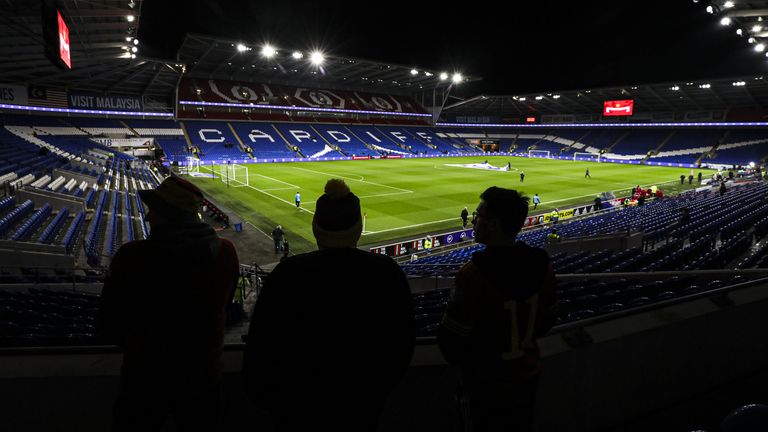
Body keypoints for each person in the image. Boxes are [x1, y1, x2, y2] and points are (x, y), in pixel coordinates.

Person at [243, 179, 415, 431]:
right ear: (358, 229)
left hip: (295, 408)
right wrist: (377, 392)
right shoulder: (386, 273)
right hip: (363, 406)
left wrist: (268, 400)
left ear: (315, 228)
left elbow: (262, 342)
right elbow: (402, 341)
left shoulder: (287, 274)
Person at [99, 176, 240, 432]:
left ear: (166, 214)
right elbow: (226, 305)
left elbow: (109, 324)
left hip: (144, 378)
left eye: (154, 208)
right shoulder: (226, 253)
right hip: (204, 376)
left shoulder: (132, 256)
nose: (149, 215)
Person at [439, 187, 557, 432]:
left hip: (485, 385)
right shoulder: (543, 267)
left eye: (478, 215)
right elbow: (548, 319)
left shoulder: (474, 274)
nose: (474, 220)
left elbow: (451, 342)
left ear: (493, 224)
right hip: (527, 377)